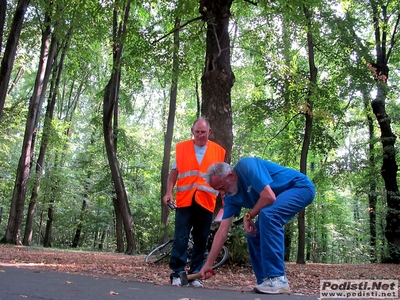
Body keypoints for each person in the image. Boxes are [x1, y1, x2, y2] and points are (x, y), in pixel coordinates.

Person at [200, 157, 316, 294]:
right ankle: (266, 282)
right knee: (254, 233)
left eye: (222, 187)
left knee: (269, 214)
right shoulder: (231, 197)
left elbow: (269, 196)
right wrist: (208, 265)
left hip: (300, 187)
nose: (222, 193)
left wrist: (249, 215)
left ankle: (277, 278)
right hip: (277, 201)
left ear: (230, 175)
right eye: (218, 190)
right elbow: (222, 230)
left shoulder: (246, 166)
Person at [163, 117, 226, 288]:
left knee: (201, 239)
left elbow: (221, 178)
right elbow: (174, 172)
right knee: (180, 238)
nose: (199, 135)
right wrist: (168, 192)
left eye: (203, 132)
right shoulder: (182, 148)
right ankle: (177, 273)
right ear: (192, 131)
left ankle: (195, 275)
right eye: (197, 132)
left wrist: (224, 196)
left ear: (209, 132)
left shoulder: (218, 151)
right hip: (185, 200)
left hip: (206, 201)